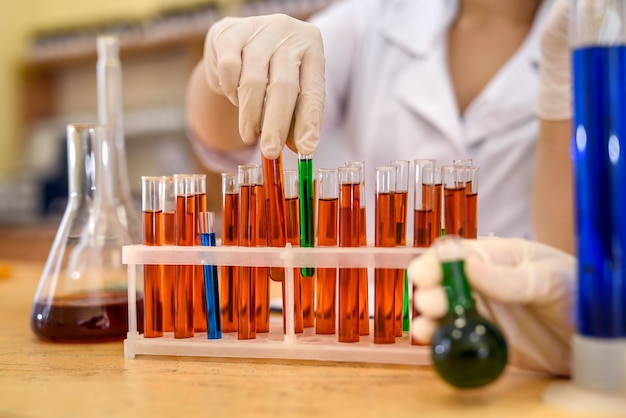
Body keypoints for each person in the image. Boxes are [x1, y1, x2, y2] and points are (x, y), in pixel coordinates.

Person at [186, 0, 576, 375]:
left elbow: (573, 253)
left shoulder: (579, 30)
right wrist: (224, 67)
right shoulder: (373, 19)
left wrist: (565, 93)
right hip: (346, 338)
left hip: (518, 349)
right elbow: (228, 140)